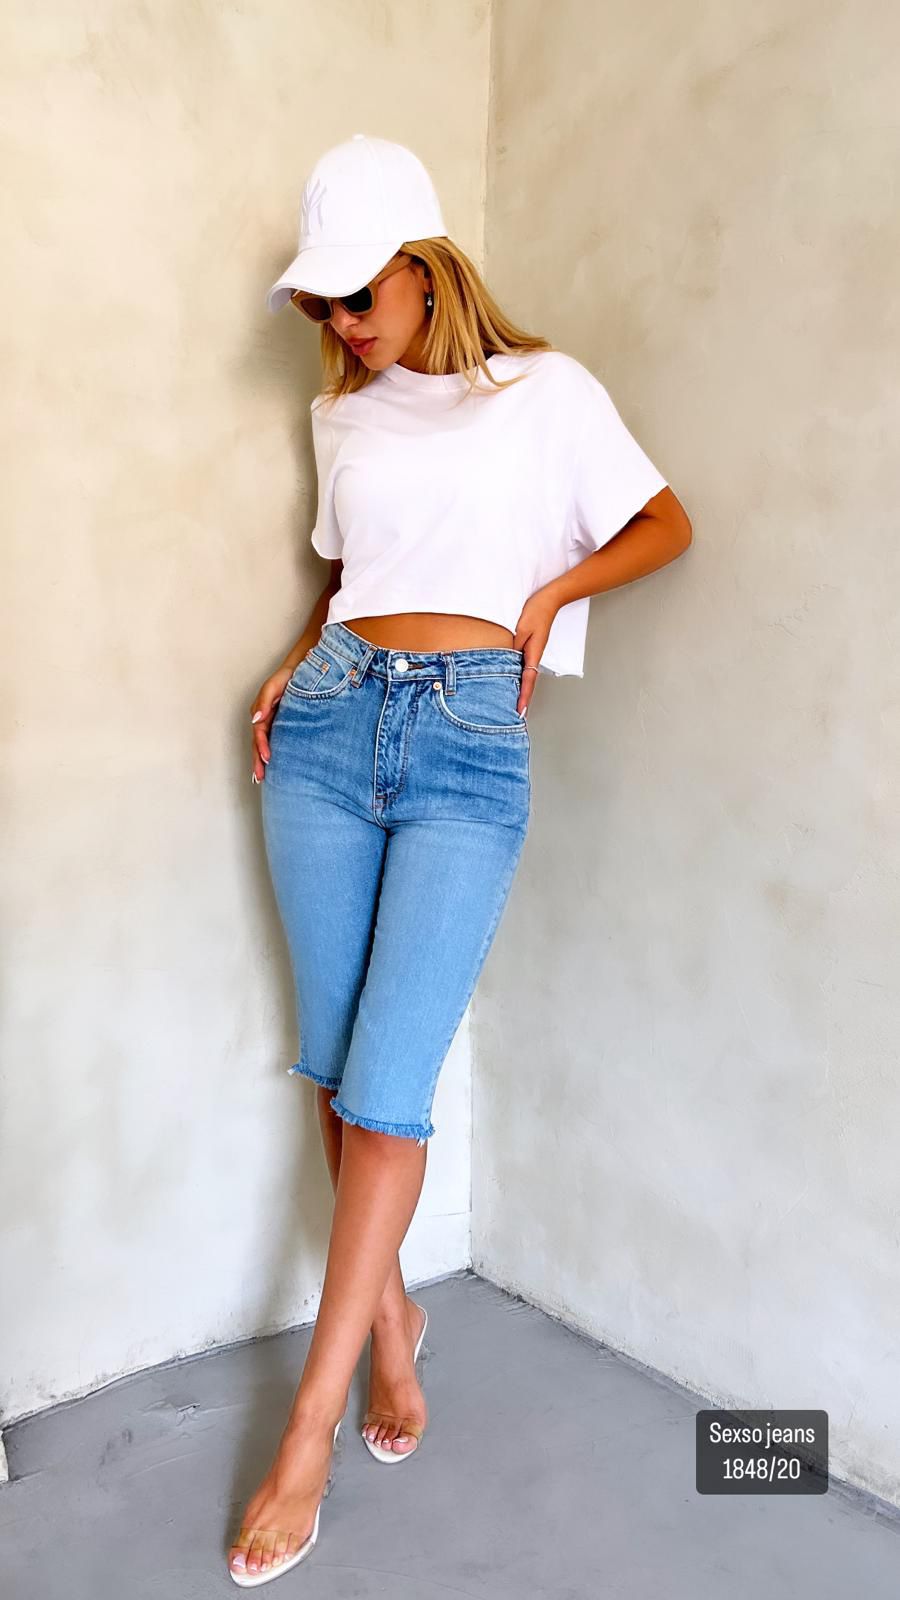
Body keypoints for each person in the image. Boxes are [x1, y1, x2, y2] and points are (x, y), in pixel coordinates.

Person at [228, 133, 692, 1585]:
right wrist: (294, 661)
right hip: (325, 722)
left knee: (389, 1086)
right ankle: (392, 1328)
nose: (342, 323)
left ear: (428, 269)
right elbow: (353, 574)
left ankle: (307, 1432)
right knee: (333, 1068)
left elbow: (666, 522)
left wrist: (549, 597)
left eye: (359, 295)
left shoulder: (545, 392)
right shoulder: (342, 418)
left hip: (468, 740)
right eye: (322, 305)